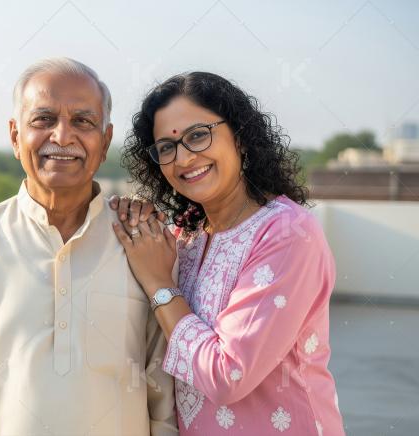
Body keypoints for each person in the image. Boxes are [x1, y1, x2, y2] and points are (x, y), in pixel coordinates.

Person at [0, 57, 178, 435]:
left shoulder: (141, 241)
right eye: (44, 119)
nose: (63, 136)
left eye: (83, 121)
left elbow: (164, 398)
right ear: (15, 136)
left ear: (104, 142)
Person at [110, 72, 344, 435]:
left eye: (198, 135)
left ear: (241, 136)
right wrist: (134, 218)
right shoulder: (187, 237)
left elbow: (227, 376)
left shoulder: (287, 234)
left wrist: (159, 283)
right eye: (167, 147)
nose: (184, 158)